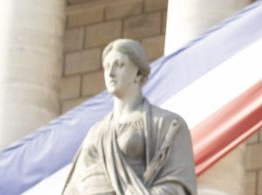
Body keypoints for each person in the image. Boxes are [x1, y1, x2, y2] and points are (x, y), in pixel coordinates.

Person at [63, 39, 197, 194]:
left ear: (138, 73)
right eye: (106, 66)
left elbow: (177, 187)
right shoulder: (95, 133)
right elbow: (73, 188)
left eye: (119, 65)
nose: (110, 73)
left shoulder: (168, 124)